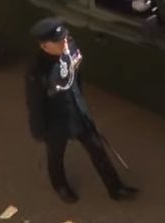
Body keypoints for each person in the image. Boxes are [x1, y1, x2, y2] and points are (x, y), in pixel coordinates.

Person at [25, 18, 139, 203]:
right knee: (56, 156)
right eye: (60, 41)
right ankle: (60, 186)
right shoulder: (37, 71)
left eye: (65, 37)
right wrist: (38, 130)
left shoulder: (68, 48)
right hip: (56, 122)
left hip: (78, 112)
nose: (65, 42)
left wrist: (80, 101)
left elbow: (76, 76)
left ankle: (116, 189)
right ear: (45, 46)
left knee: (97, 149)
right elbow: (35, 104)